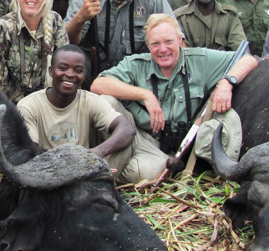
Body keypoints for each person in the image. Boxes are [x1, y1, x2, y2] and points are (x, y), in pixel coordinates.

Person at [91, 14, 258, 182]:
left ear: (179, 40)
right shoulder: (136, 64)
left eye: (168, 42)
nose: (162, 49)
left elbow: (248, 58)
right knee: (107, 101)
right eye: (155, 44)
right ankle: (110, 165)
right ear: (148, 46)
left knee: (146, 174)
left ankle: (110, 169)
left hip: (164, 149)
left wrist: (226, 83)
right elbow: (98, 85)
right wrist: (145, 95)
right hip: (139, 134)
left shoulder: (201, 60)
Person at [17, 45, 138, 178]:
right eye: (63, 68)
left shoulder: (90, 100)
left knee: (123, 143)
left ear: (84, 74)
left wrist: (97, 153)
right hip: (47, 175)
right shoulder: (29, 105)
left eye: (78, 70)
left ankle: (102, 184)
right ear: (51, 71)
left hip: (85, 172)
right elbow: (29, 152)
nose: (70, 74)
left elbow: (127, 129)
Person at [64, 0, 173, 80]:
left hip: (140, 71)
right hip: (95, 70)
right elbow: (66, 42)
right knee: (69, 59)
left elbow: (176, 40)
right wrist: (80, 18)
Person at [0, 0, 69, 102]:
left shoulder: (55, 21)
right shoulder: (3, 27)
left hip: (49, 103)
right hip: (13, 107)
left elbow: (65, 70)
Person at [174, 0, 246, 50]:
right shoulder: (179, 18)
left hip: (226, 63)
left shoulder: (230, 16)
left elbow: (241, 50)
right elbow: (181, 54)